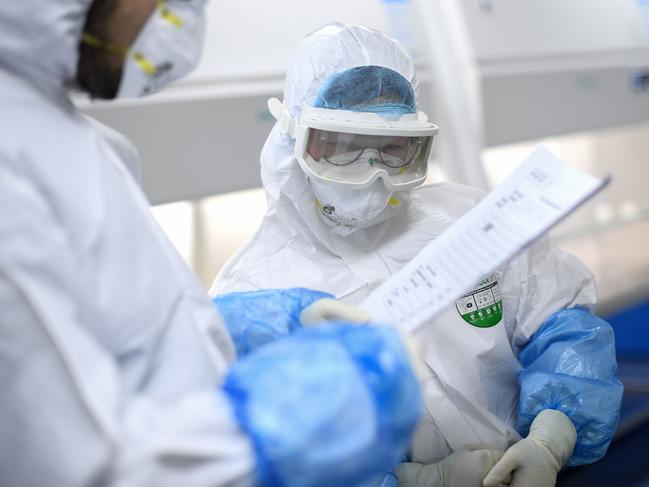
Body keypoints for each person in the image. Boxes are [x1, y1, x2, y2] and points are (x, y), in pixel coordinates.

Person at [0, 2, 424, 486]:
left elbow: (89, 332)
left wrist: (220, 328)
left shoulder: (52, 128)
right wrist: (278, 430)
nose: (183, 19)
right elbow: (81, 468)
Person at [211, 23, 624, 487]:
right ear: (294, 136)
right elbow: (277, 454)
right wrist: (415, 480)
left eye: (394, 150)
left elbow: (564, 326)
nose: (374, 173)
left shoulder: (472, 220)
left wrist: (551, 439)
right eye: (342, 148)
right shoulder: (254, 296)